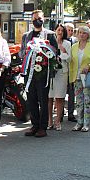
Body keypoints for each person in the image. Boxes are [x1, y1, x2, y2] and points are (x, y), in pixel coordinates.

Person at [19, 10, 58, 138]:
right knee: (31, 100)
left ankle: (43, 127)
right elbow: (22, 52)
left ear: (44, 19)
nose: (37, 20)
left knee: (43, 100)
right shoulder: (26, 36)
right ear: (31, 20)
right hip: (29, 73)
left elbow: (55, 54)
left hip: (43, 74)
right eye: (35, 18)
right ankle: (34, 124)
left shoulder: (50, 35)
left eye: (39, 18)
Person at [69, 26, 90, 132]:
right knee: (78, 101)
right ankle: (79, 123)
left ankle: (86, 124)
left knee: (87, 100)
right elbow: (71, 63)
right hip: (77, 77)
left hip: (88, 77)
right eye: (79, 32)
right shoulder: (74, 46)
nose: (81, 34)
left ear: (88, 34)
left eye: (84, 33)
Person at [47, 24, 71, 131]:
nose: (60, 32)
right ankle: (49, 121)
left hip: (62, 72)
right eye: (58, 30)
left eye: (62, 30)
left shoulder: (67, 43)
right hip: (51, 72)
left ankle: (58, 121)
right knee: (49, 97)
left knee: (59, 97)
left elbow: (69, 58)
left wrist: (61, 53)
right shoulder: (50, 42)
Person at [64, 22, 77, 122]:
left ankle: (71, 114)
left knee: (72, 94)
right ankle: (60, 112)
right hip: (63, 71)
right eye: (69, 30)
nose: (71, 32)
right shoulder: (61, 41)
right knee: (61, 93)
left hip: (72, 71)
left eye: (72, 30)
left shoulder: (75, 41)